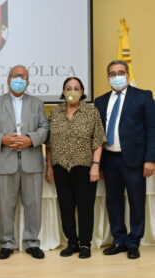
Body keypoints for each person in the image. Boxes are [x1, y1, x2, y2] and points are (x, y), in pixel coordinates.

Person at [0, 65, 49, 259]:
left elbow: (45, 128)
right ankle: (7, 243)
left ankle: (32, 243)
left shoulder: (37, 103)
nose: (19, 79)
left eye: (23, 77)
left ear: (28, 82)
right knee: (5, 205)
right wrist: (2, 139)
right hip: (4, 161)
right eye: (15, 76)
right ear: (8, 79)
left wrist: (31, 139)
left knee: (33, 205)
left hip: (32, 161)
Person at [94, 60, 155, 259]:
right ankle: (119, 239)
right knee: (114, 202)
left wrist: (150, 159)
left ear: (127, 75)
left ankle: (133, 242)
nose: (117, 76)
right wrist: (98, 163)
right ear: (108, 77)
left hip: (135, 160)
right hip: (110, 160)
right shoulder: (100, 101)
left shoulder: (143, 97)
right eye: (112, 73)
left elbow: (151, 130)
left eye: (120, 72)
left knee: (136, 202)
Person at [45, 77, 106, 259]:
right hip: (60, 166)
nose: (72, 91)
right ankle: (72, 242)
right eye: (68, 88)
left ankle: (85, 244)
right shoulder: (55, 112)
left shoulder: (91, 111)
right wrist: (49, 167)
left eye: (76, 88)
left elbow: (98, 140)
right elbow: (49, 144)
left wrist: (95, 166)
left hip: (84, 166)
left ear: (82, 91)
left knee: (85, 206)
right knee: (66, 206)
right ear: (63, 92)